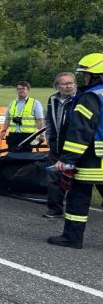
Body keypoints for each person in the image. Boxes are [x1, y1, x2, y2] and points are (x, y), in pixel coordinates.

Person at [47, 53, 103, 249]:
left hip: (92, 161)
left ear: (96, 75)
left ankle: (72, 237)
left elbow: (81, 130)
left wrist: (67, 159)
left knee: (78, 198)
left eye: (86, 75)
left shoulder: (91, 97)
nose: (84, 79)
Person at [42, 72, 77, 218]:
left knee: (80, 180)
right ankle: (55, 209)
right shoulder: (53, 99)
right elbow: (49, 120)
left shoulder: (80, 99)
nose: (69, 86)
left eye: (71, 83)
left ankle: (76, 210)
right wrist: (50, 139)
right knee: (54, 178)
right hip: (56, 147)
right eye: (65, 84)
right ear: (57, 86)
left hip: (76, 147)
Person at [1, 81, 44, 152]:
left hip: (27, 136)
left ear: (28, 90)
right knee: (11, 156)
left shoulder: (35, 103)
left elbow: (39, 120)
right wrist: (4, 130)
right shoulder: (12, 103)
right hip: (13, 135)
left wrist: (41, 135)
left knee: (25, 157)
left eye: (23, 89)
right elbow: (8, 119)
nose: (21, 91)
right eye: (19, 89)